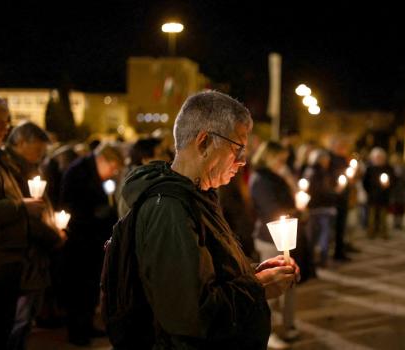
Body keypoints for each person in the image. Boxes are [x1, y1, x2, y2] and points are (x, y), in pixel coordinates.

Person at [119, 91, 300, 348]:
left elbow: (209, 271)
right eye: (236, 148)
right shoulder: (169, 208)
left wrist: (254, 273)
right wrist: (257, 288)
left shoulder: (198, 195)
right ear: (203, 143)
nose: (242, 161)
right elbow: (188, 313)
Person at [0, 95, 45, 348]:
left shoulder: (0, 159)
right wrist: (20, 206)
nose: (4, 129)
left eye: (6, 124)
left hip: (7, 262)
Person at [4, 122, 66, 350]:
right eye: (37, 149)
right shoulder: (13, 169)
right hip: (25, 256)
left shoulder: (26, 167)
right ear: (21, 142)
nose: (40, 155)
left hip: (32, 256)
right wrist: (54, 237)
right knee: (18, 321)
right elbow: (28, 216)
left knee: (23, 321)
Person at [60, 142, 123, 346]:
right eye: (112, 168)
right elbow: (69, 205)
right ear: (104, 160)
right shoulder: (78, 172)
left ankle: (86, 326)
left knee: (90, 288)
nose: (112, 173)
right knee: (78, 288)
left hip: (94, 239)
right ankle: (77, 331)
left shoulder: (93, 171)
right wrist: (95, 213)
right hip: (79, 241)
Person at [249, 141, 300, 348]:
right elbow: (271, 209)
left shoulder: (277, 176)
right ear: (268, 156)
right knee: (272, 287)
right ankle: (267, 334)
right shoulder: (261, 179)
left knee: (289, 283)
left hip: (284, 235)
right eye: (279, 159)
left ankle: (287, 326)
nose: (282, 163)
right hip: (270, 238)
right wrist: (294, 212)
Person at [363, 147, 394, 239]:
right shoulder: (370, 169)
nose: (379, 159)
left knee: (383, 216)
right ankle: (371, 232)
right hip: (372, 196)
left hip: (384, 196)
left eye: (380, 157)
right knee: (371, 216)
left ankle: (383, 232)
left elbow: (394, 180)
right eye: (377, 157)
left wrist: (388, 185)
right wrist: (369, 191)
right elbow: (365, 182)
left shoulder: (388, 168)